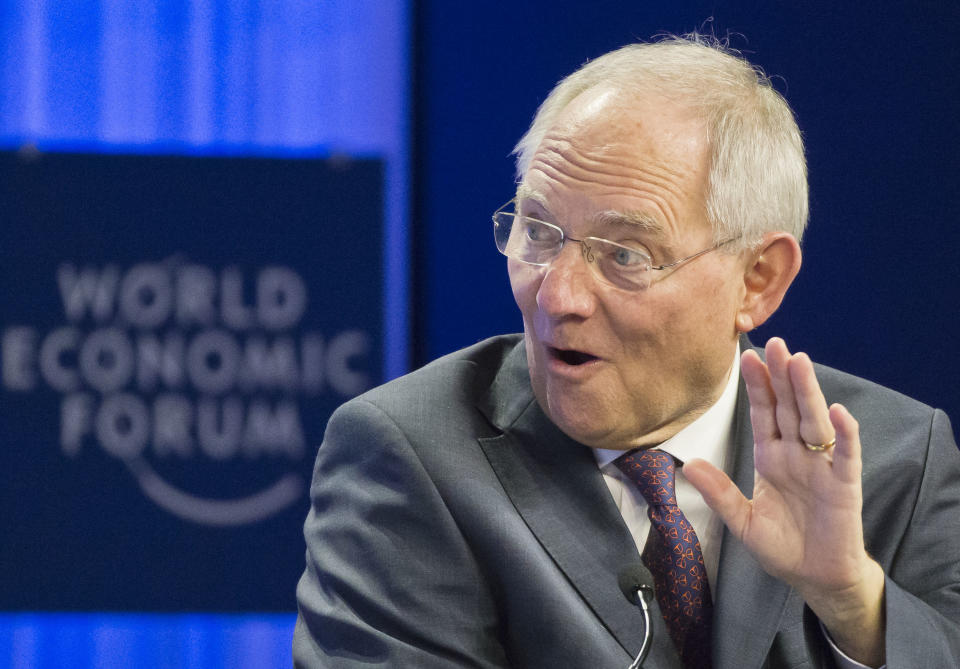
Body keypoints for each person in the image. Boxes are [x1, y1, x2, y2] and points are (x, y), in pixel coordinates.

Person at [293, 35, 960, 668]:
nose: (558, 296)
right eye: (538, 230)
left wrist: (852, 602)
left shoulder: (898, 459)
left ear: (756, 279)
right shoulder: (413, 456)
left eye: (625, 254)